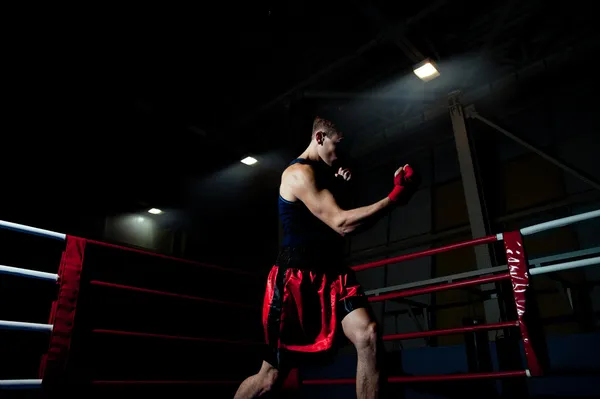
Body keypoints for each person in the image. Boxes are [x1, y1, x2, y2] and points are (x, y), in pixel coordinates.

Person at [234, 117, 419, 399]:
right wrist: (394, 198)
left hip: (333, 275)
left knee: (368, 334)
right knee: (270, 377)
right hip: (295, 280)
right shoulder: (298, 174)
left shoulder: (327, 175)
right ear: (319, 138)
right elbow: (342, 223)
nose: (341, 155)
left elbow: (344, 228)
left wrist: (346, 188)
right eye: (337, 146)